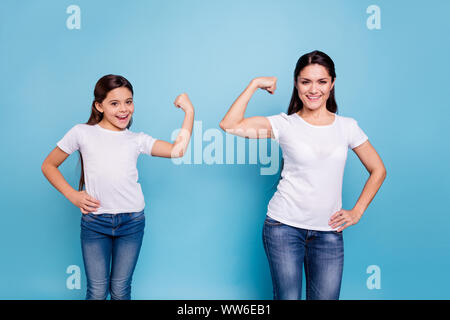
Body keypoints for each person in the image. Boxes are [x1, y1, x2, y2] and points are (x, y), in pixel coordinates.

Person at [219, 50, 386, 300]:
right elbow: (229, 124)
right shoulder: (285, 124)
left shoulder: (347, 127)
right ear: (296, 83)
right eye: (305, 81)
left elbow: (378, 170)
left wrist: (357, 211)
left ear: (332, 84)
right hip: (283, 228)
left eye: (322, 81)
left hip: (329, 233)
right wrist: (255, 84)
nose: (313, 89)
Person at [41, 74, 195, 300]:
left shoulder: (136, 139)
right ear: (99, 105)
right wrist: (73, 196)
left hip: (131, 223)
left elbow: (177, 150)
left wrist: (189, 111)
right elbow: (49, 165)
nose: (124, 109)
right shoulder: (81, 133)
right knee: (96, 292)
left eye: (128, 102)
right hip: (95, 223)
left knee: (121, 290)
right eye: (114, 103)